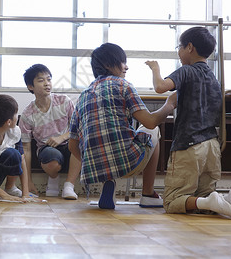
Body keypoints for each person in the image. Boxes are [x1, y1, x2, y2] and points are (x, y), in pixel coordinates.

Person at [145, 26, 231, 219]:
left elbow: (160, 87)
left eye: (179, 47)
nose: (179, 52)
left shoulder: (187, 71)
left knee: (172, 201)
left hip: (188, 145)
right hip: (212, 147)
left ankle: (217, 200)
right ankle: (230, 199)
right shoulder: (214, 80)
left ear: (189, 47)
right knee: (203, 197)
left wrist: (155, 69)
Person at [69, 43, 176, 209]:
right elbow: (150, 121)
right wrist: (170, 104)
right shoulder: (123, 85)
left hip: (95, 171)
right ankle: (148, 193)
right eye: (122, 62)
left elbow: (72, 145)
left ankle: (108, 182)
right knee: (152, 130)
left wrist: (95, 162)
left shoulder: (83, 96)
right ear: (108, 65)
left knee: (114, 139)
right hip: (128, 162)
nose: (126, 67)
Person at [19, 64, 81, 199]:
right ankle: (53, 180)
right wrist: (28, 181)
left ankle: (68, 187)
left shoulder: (64, 101)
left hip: (68, 144)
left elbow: (79, 127)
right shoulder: (27, 114)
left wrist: (62, 137)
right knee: (50, 156)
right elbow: (26, 149)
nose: (47, 84)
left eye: (49, 79)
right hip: (47, 150)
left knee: (80, 145)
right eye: (41, 80)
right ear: (31, 86)